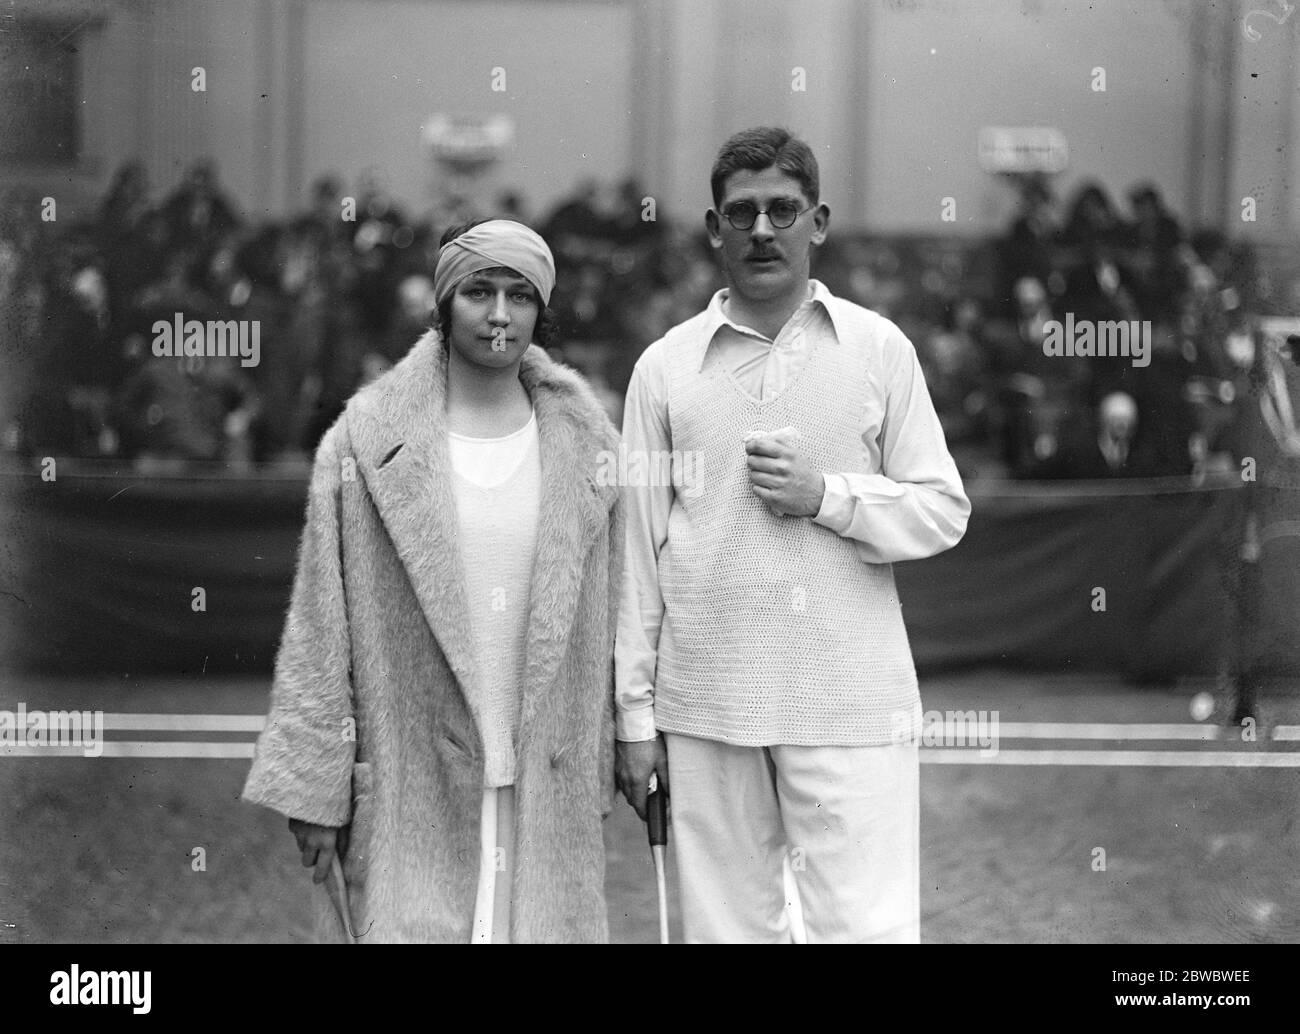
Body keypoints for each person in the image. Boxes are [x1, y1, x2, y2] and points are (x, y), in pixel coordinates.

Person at [614, 127, 970, 943]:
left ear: (819, 222)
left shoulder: (880, 349)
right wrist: (634, 720)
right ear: (714, 229)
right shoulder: (663, 369)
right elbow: (634, 553)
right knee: (726, 933)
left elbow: (943, 509)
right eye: (742, 213)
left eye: (783, 209)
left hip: (847, 699)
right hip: (706, 704)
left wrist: (829, 497)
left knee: (865, 933)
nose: (762, 230)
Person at [243, 218, 623, 943]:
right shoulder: (364, 439)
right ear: (444, 303)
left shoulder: (589, 443)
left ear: (544, 309)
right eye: (480, 291)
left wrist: (609, 751)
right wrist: (316, 787)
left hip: (541, 786)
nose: (501, 314)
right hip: (408, 784)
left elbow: (609, 617)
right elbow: (320, 627)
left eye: (520, 294)